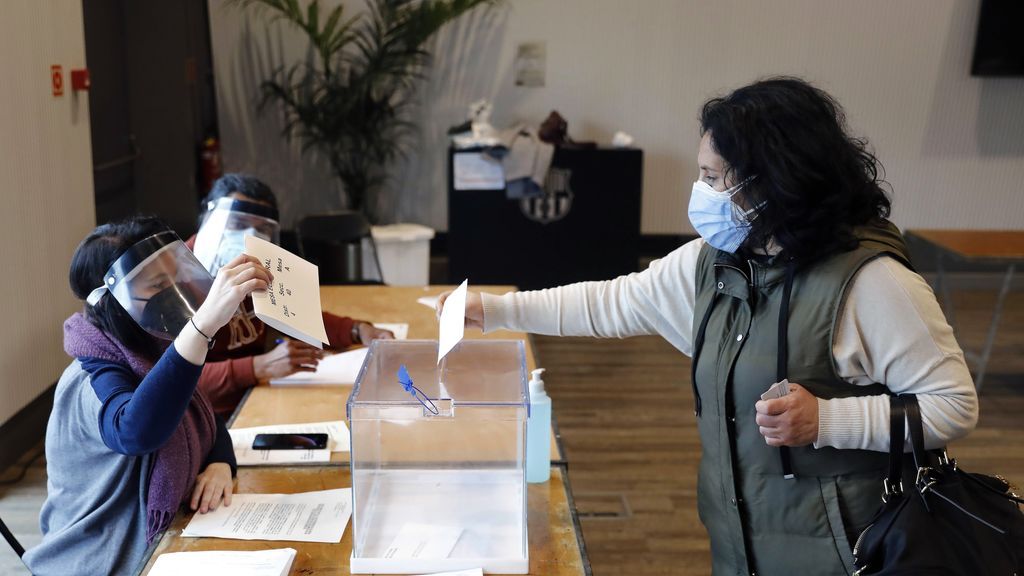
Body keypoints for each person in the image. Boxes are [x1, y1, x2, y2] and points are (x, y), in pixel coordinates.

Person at [439, 77, 978, 575]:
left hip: (854, 550)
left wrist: (827, 420)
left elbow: (953, 405)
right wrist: (496, 310)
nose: (701, 191)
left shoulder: (873, 283)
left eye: (713, 178)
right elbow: (612, 302)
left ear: (776, 181)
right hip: (744, 543)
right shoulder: (716, 259)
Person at [23, 217, 273, 575]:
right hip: (100, 560)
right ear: (112, 300)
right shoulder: (89, 378)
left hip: (165, 540)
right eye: (158, 284)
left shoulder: (149, 350)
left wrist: (220, 463)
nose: (174, 289)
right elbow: (136, 432)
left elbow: (202, 416)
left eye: (175, 276)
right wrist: (200, 329)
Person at [188, 173, 393, 417]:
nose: (250, 235)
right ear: (208, 218)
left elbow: (296, 315)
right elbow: (173, 378)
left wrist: (356, 330)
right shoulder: (178, 277)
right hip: (208, 415)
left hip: (256, 393)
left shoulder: (258, 263)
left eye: (262, 228)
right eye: (238, 223)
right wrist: (257, 367)